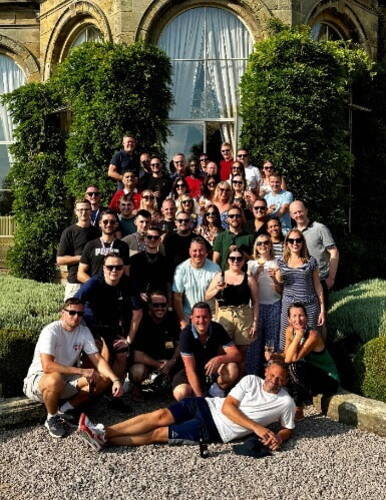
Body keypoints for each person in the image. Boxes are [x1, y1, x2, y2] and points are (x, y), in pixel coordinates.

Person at [78, 359, 295, 451]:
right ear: (266, 371)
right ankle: (103, 431)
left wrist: (279, 437)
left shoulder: (285, 402)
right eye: (272, 374)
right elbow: (228, 407)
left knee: (157, 434)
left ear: (285, 381)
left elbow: (288, 427)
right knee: (159, 415)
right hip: (207, 405)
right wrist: (257, 428)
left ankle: (104, 440)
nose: (274, 380)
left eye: (279, 378)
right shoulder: (250, 380)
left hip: (214, 429)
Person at [23, 298, 123, 438]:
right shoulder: (51, 331)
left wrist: (116, 380)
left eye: (80, 314)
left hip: (65, 378)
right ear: (62, 313)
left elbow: (97, 359)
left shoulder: (83, 331)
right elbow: (47, 366)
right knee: (54, 378)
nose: (76, 317)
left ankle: (64, 410)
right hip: (38, 379)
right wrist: (81, 371)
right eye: (72, 312)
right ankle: (51, 418)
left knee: (103, 378)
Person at [75, 255, 142, 412]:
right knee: (96, 358)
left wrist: (129, 340)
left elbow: (137, 312)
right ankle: (86, 398)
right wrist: (79, 333)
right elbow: (74, 304)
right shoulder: (93, 283)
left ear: (123, 269)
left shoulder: (127, 283)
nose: (114, 270)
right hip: (90, 328)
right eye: (110, 267)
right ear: (103, 268)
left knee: (121, 353)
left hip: (112, 329)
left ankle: (115, 397)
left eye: (118, 267)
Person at [172, 302, 241, 400]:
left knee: (232, 368)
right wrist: (200, 399)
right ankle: (199, 399)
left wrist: (219, 359)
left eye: (205, 317)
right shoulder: (186, 334)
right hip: (188, 371)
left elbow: (237, 355)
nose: (201, 321)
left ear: (210, 317)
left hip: (210, 370)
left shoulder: (217, 328)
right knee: (181, 393)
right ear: (191, 318)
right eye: (198, 317)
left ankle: (215, 392)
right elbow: (190, 370)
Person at [283, 302, 340, 420]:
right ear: (289, 319)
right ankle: (284, 403)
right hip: (310, 375)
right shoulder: (289, 331)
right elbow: (286, 355)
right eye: (294, 316)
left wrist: (298, 336)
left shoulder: (313, 335)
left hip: (328, 379)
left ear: (307, 317)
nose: (298, 319)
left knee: (294, 366)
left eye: (301, 315)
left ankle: (298, 408)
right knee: (277, 366)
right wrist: (274, 356)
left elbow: (291, 359)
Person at [205, 246, 259, 366]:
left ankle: (239, 379)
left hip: (244, 316)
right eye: (232, 258)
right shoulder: (220, 276)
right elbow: (207, 296)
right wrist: (217, 289)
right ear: (228, 260)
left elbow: (255, 302)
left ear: (243, 261)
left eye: (239, 259)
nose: (236, 261)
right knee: (222, 349)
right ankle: (224, 378)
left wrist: (255, 322)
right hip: (225, 315)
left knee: (242, 351)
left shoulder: (249, 279)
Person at [275, 229, 325, 347]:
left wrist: (322, 309)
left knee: (310, 341)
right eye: (291, 240)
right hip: (289, 307)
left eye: (298, 240)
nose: (295, 243)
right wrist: (276, 277)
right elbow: (278, 284)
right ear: (287, 243)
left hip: (309, 306)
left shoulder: (311, 261)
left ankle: (309, 365)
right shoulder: (281, 262)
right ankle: (288, 364)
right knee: (286, 340)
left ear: (303, 242)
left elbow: (318, 286)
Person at [130, 290, 181, 401]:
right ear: (149, 306)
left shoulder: (172, 317)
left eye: (163, 305)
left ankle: (170, 387)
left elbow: (180, 343)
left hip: (169, 361)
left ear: (167, 305)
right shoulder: (142, 322)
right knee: (137, 371)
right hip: (150, 363)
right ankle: (138, 388)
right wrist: (159, 365)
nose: (160, 308)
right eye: (156, 305)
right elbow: (137, 355)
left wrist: (172, 361)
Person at [246, 235, 282, 375]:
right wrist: (256, 274)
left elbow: (280, 290)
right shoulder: (251, 264)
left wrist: (274, 278)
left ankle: (272, 375)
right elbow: (249, 290)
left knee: (271, 342)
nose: (263, 245)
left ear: (271, 245)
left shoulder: (278, 262)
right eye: (259, 243)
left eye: (266, 242)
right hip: (256, 307)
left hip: (274, 305)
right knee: (254, 343)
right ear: (256, 246)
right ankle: (252, 376)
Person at [290, 200, 339, 298]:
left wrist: (331, 278)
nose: (298, 215)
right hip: (301, 283)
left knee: (321, 312)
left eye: (300, 211)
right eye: (295, 213)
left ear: (306, 211)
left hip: (321, 280)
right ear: (291, 216)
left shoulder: (319, 228)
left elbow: (334, 252)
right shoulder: (292, 234)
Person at [173, 237, 221, 328]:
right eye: (195, 250)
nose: (198, 254)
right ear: (189, 251)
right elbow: (177, 298)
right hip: (189, 316)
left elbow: (218, 298)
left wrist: (217, 319)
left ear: (206, 252)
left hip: (210, 317)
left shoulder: (215, 269)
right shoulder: (181, 269)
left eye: (201, 250)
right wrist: (182, 321)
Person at [57, 199, 100, 300]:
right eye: (80, 210)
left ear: (91, 211)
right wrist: (81, 258)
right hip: (75, 283)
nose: (83, 212)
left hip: (94, 282)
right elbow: (60, 260)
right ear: (75, 212)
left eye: (86, 209)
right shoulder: (69, 232)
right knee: (71, 313)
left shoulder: (98, 232)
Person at [77, 209, 130, 282]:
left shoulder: (123, 246)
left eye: (112, 222)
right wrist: (95, 285)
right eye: (105, 222)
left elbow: (126, 272)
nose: (109, 224)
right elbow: (80, 273)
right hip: (96, 290)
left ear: (116, 224)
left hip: (116, 291)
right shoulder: (90, 245)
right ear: (100, 223)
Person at [129, 226, 169, 301]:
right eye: (149, 237)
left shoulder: (165, 261)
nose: (152, 239)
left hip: (159, 302)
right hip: (139, 300)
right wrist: (138, 293)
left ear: (160, 240)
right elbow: (131, 281)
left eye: (156, 237)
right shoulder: (135, 259)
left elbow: (167, 284)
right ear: (144, 239)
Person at [212, 205, 254, 270]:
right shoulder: (221, 236)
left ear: (242, 218)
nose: (234, 218)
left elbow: (254, 260)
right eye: (231, 216)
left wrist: (241, 252)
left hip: (244, 275)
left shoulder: (250, 237)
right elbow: (215, 260)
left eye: (238, 216)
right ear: (227, 219)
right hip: (225, 275)